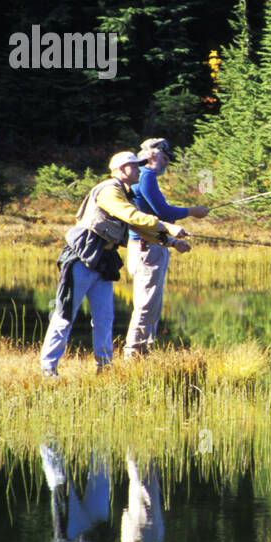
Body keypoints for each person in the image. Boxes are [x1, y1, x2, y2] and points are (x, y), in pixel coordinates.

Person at [39, 151, 190, 376]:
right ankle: (48, 369)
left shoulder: (124, 194)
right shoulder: (109, 191)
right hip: (81, 258)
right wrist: (167, 226)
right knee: (65, 314)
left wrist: (171, 243)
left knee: (105, 318)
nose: (139, 170)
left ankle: (105, 368)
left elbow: (138, 228)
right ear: (121, 170)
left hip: (103, 262)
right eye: (135, 166)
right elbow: (130, 215)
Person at [124, 138, 208, 358]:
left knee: (151, 303)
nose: (167, 162)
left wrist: (171, 241)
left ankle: (143, 351)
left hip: (148, 245)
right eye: (165, 157)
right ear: (153, 154)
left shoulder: (139, 175)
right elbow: (162, 212)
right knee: (147, 303)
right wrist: (192, 211)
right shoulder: (146, 175)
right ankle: (134, 353)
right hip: (148, 248)